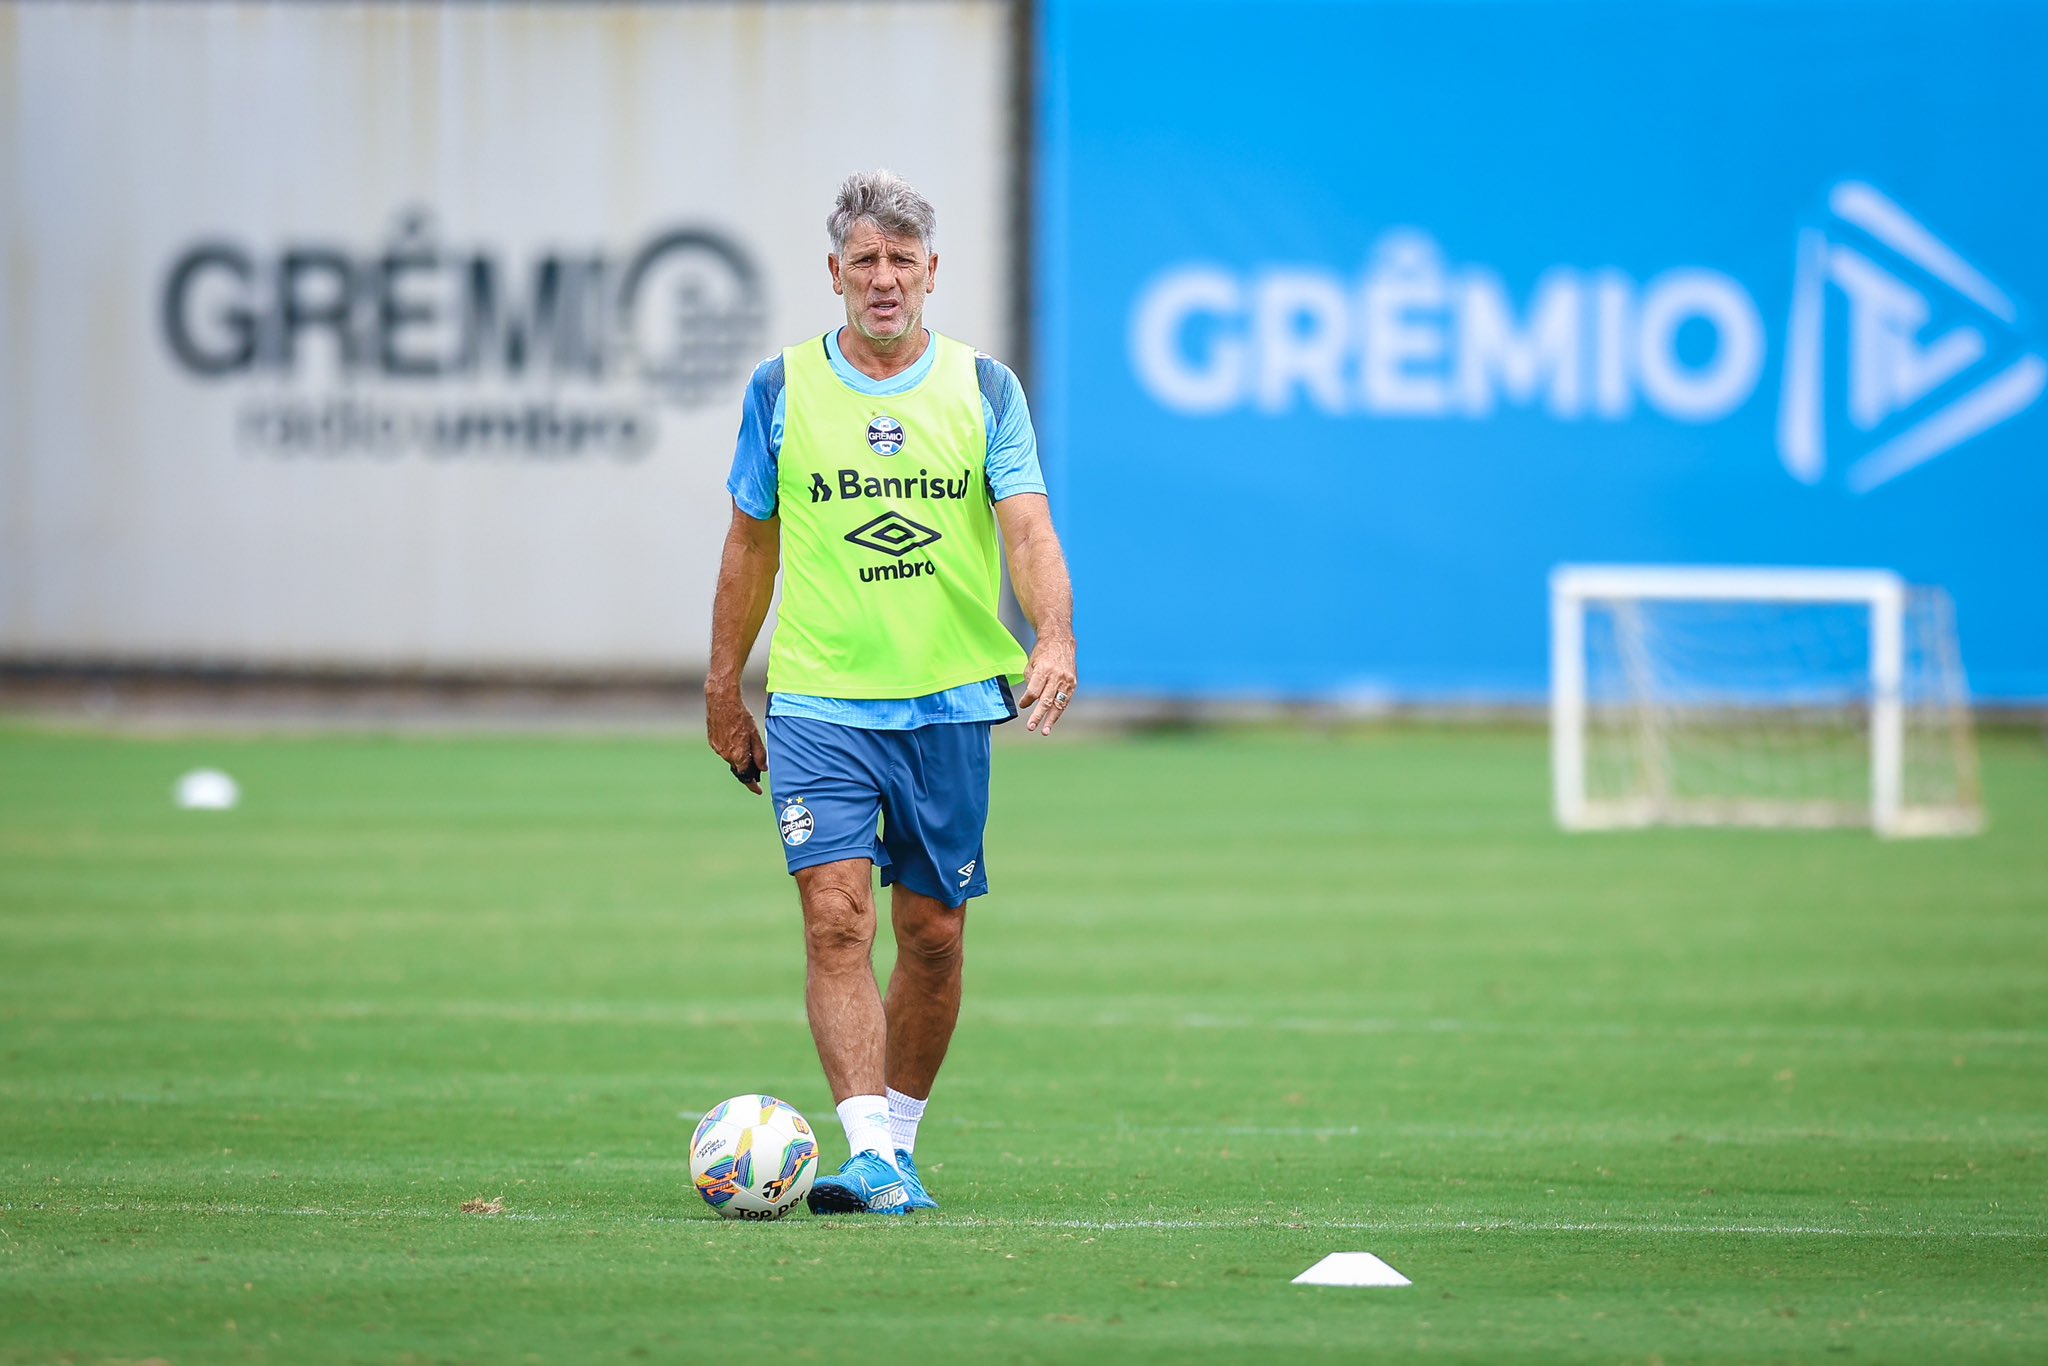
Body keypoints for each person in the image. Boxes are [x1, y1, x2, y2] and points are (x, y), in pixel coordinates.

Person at [705, 170, 1077, 1215]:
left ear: (930, 274)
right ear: (834, 273)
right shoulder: (780, 389)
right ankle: (863, 1145)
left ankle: (896, 1147)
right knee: (835, 919)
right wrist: (721, 684)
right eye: (862, 261)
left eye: (900, 262)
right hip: (819, 698)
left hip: (950, 700)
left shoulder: (983, 388)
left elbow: (1027, 527)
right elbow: (749, 542)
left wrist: (1052, 632)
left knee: (934, 932)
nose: (882, 279)